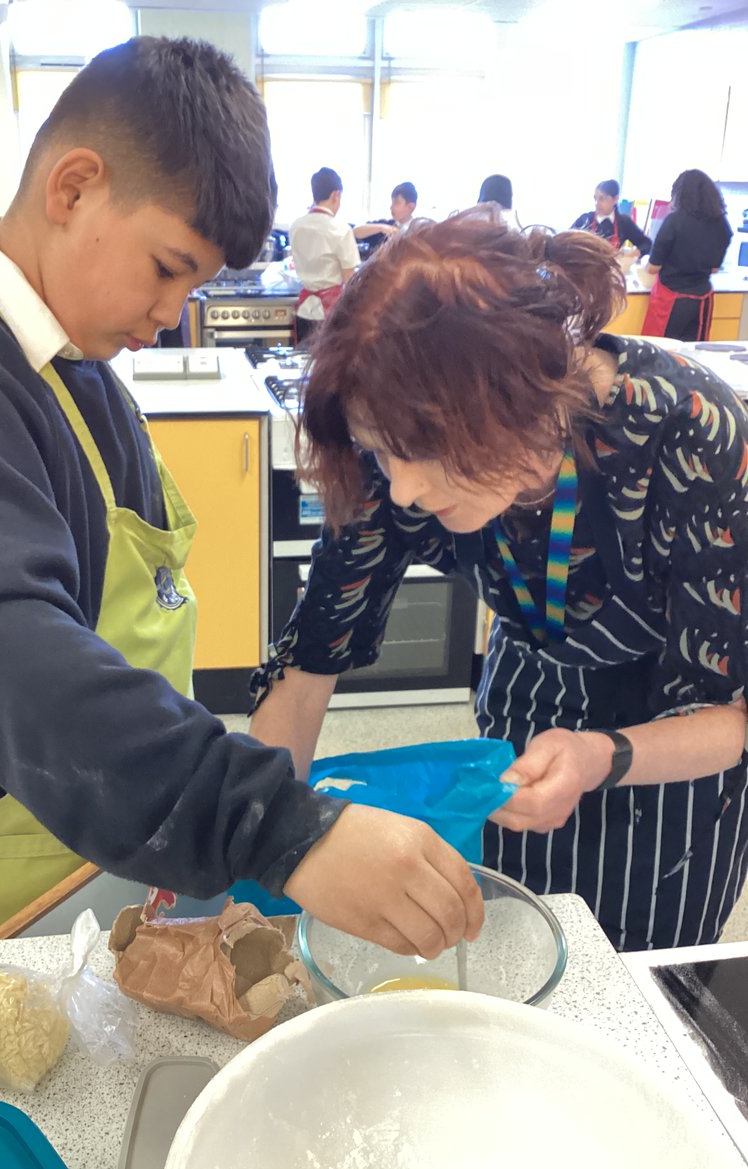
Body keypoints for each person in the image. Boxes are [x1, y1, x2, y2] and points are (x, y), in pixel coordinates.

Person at [0, 37, 483, 954]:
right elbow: (12, 657)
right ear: (73, 189)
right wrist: (282, 828)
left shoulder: (77, 362)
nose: (169, 311)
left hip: (106, 828)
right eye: (167, 267)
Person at [249, 208, 748, 953]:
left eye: (422, 452)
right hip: (524, 710)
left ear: (519, 405)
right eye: (382, 452)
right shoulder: (399, 453)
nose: (406, 488)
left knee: (630, 991)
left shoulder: (690, 435)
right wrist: (267, 851)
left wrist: (597, 755)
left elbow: (733, 714)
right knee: (516, 947)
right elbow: (309, 664)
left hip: (672, 768)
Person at [642, 169, 733, 342]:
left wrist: (646, 262)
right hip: (702, 300)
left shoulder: (674, 220)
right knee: (695, 353)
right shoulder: (721, 224)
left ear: (679, 194)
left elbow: (653, 268)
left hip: (671, 300)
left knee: (664, 353)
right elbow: (714, 268)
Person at [290, 167, 361, 344]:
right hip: (331, 312)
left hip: (304, 310)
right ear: (336, 195)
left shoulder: (296, 226)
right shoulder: (340, 229)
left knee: (303, 364)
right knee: (330, 368)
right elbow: (350, 279)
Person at [571, 178, 652, 261]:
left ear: (615, 199)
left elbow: (646, 243)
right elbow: (566, 242)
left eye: (602, 199)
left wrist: (634, 253)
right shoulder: (585, 219)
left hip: (611, 270)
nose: (596, 204)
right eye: (595, 198)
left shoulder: (624, 222)